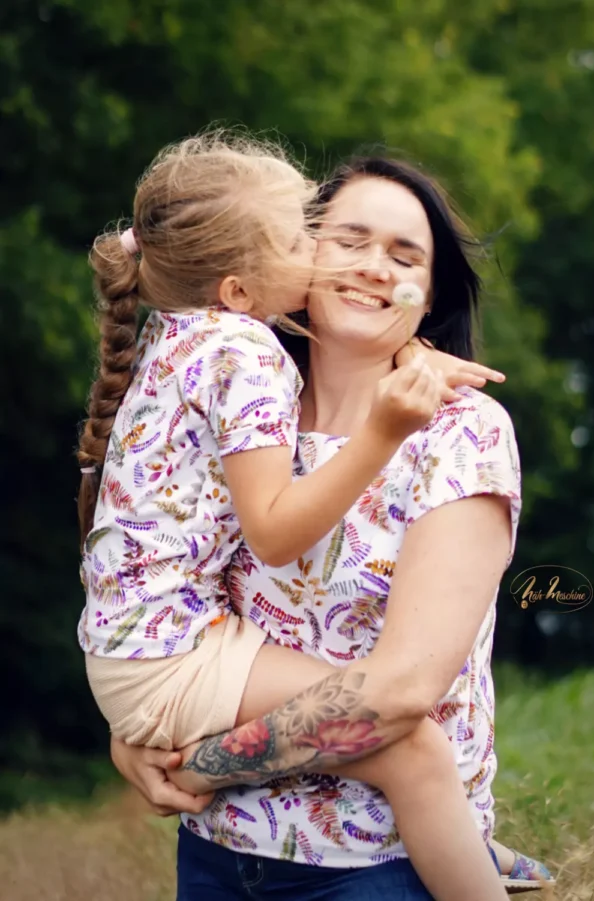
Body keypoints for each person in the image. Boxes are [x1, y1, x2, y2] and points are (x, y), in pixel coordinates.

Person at [76, 132, 513, 901]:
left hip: (370, 865)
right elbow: (183, 604)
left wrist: (194, 755)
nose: (375, 265)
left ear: (431, 296)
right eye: (345, 238)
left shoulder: (458, 431)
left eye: (406, 257)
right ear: (285, 263)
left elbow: (399, 692)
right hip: (219, 852)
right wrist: (136, 724)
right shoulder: (247, 403)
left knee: (417, 752)